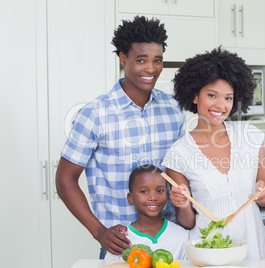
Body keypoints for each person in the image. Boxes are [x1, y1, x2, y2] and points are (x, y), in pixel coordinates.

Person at [55, 16, 186, 258]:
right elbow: (65, 179)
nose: (151, 68)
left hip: (173, 242)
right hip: (122, 246)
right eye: (141, 60)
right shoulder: (95, 114)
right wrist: (99, 232)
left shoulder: (173, 109)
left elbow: (181, 173)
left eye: (157, 60)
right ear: (123, 59)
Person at [161, 47, 265, 260]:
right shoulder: (178, 154)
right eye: (212, 95)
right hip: (208, 253)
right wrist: (182, 203)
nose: (220, 105)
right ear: (195, 96)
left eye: (228, 98)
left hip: (252, 249)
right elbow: (188, 222)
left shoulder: (250, 136)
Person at [105, 164, 188, 261]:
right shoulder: (121, 239)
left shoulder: (182, 236)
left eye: (160, 190)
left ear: (167, 195)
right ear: (130, 198)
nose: (153, 197)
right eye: (144, 191)